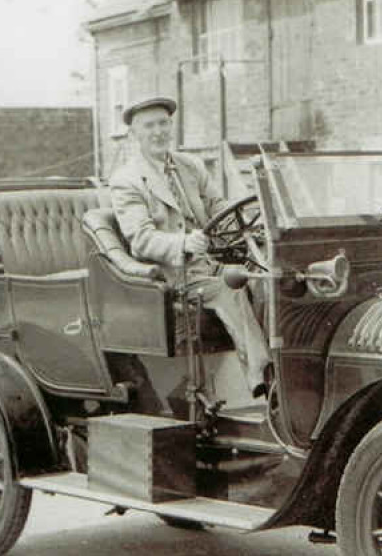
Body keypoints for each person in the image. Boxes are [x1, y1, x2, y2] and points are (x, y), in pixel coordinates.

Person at [109, 96, 272, 399]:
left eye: (163, 123)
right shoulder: (126, 180)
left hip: (208, 263)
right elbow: (141, 239)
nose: (158, 132)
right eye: (149, 126)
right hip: (171, 274)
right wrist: (182, 243)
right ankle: (262, 374)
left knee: (268, 278)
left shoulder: (190, 166)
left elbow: (219, 206)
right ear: (134, 134)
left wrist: (254, 228)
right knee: (230, 289)